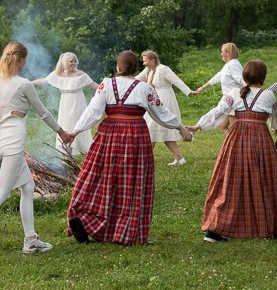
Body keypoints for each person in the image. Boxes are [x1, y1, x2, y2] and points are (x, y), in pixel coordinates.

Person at [0, 42, 72, 257]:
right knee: (1, 192)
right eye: (25, 60)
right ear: (20, 60)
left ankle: (31, 240)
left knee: (28, 187)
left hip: (3, 140)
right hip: (14, 142)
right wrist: (63, 132)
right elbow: (43, 113)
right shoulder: (23, 84)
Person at [66, 51, 187, 245]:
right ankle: (125, 232)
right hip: (135, 135)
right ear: (136, 68)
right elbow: (161, 113)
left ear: (118, 67)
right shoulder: (144, 88)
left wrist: (75, 131)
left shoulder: (107, 84)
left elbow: (93, 111)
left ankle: (85, 218)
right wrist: (180, 127)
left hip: (108, 134)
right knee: (132, 183)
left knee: (100, 177)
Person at [191, 59, 277, 242]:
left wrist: (198, 126)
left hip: (237, 140)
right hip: (260, 142)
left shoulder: (233, 93)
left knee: (229, 182)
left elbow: (217, 112)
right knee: (265, 181)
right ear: (263, 76)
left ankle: (214, 231)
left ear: (245, 75)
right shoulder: (268, 95)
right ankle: (268, 228)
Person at [32, 52, 96, 156]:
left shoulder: (81, 74)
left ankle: (81, 152)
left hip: (78, 102)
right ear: (64, 62)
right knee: (66, 125)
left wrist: (108, 88)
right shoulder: (58, 74)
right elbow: (44, 80)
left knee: (77, 125)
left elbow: (93, 85)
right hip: (65, 103)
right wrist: (30, 83)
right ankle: (66, 154)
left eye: (75, 61)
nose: (74, 63)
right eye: (71, 61)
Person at [137, 50, 191, 165]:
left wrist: (189, 92)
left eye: (145, 61)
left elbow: (177, 81)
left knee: (151, 129)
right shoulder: (148, 70)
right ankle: (180, 159)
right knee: (159, 131)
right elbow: (135, 80)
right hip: (153, 101)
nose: (144, 63)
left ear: (153, 60)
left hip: (165, 100)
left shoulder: (163, 69)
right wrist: (120, 83)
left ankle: (145, 160)